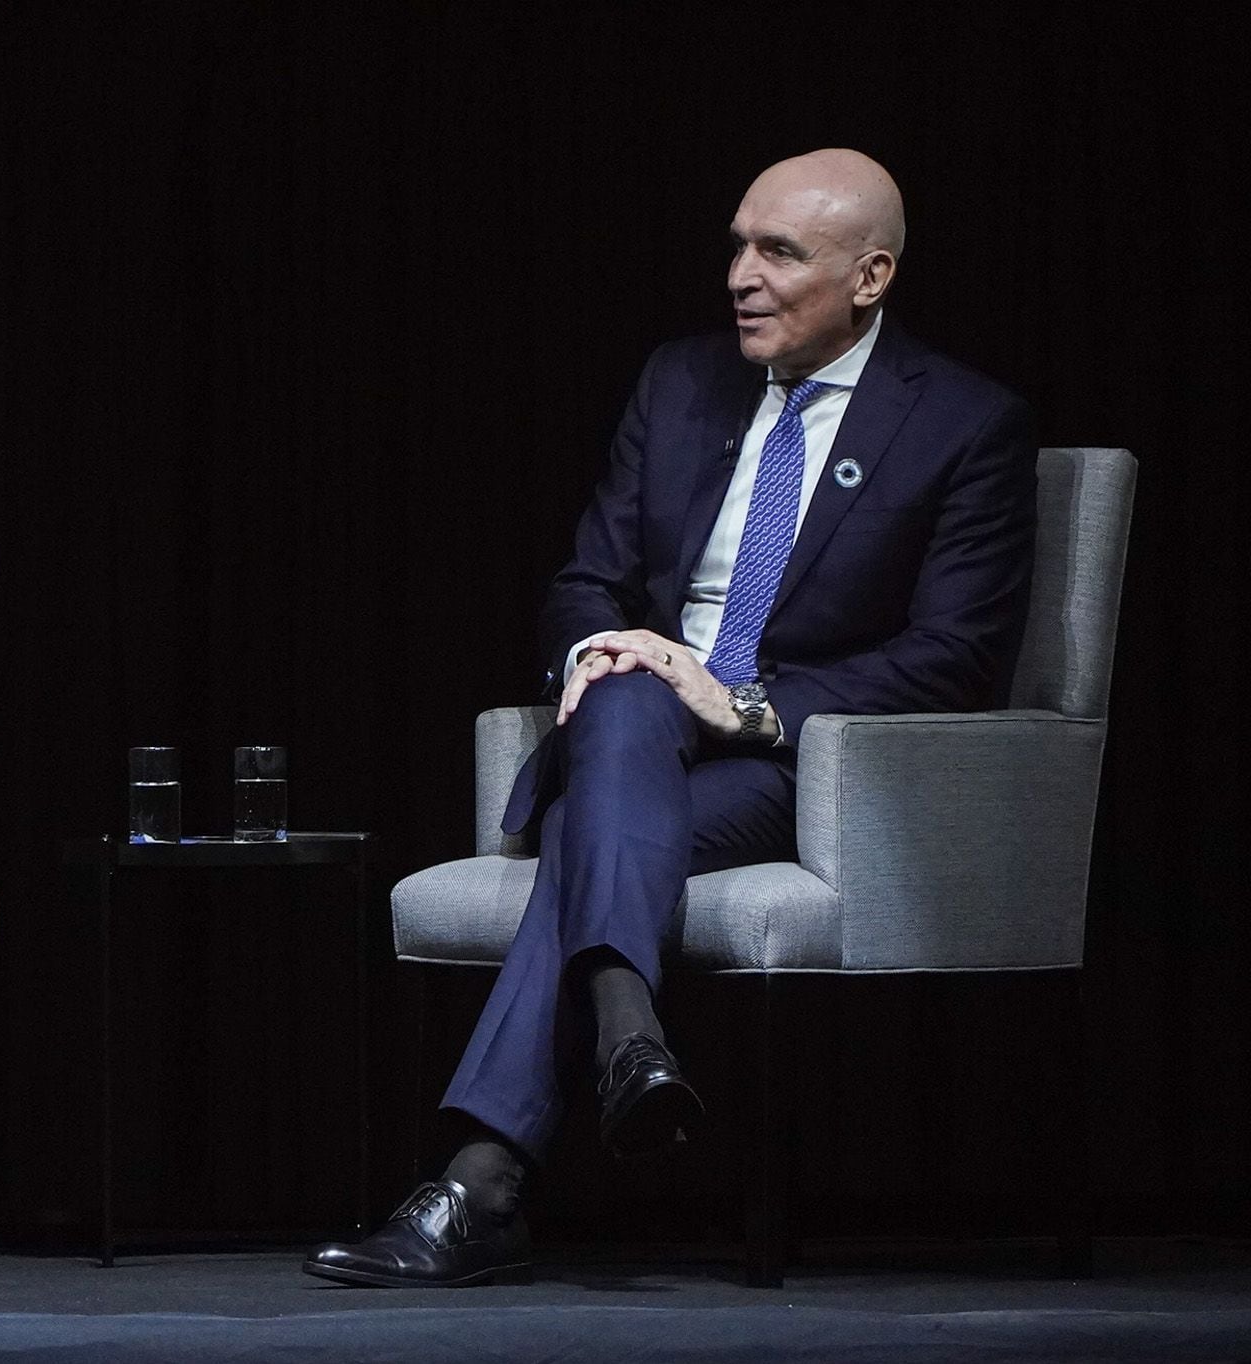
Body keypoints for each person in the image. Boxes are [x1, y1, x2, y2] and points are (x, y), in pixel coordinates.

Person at [306, 149, 1036, 1287]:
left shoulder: (962, 422)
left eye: (777, 253)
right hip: (631, 733)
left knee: (588, 835)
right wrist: (599, 647)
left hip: (794, 766)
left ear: (869, 275)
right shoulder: (678, 382)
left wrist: (737, 698)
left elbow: (954, 658)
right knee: (628, 689)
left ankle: (483, 1179)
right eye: (736, 244)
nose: (739, 276)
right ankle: (621, 1046)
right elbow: (584, 578)